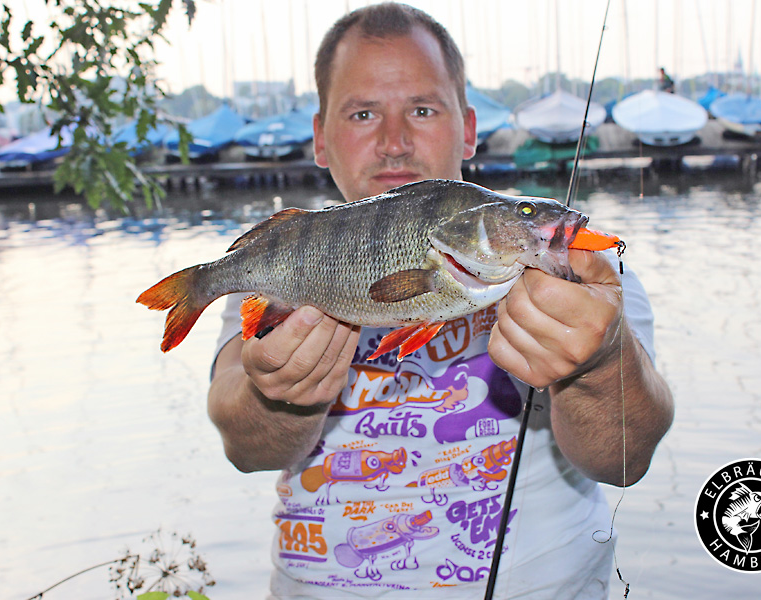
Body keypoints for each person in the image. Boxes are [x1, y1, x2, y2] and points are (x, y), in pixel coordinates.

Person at [208, 3, 673, 598]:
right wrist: (278, 395)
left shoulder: (562, 261)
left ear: (469, 128)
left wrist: (601, 363)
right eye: (363, 113)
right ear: (321, 140)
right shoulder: (294, 260)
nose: (394, 141)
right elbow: (242, 447)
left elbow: (624, 460)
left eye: (422, 109)